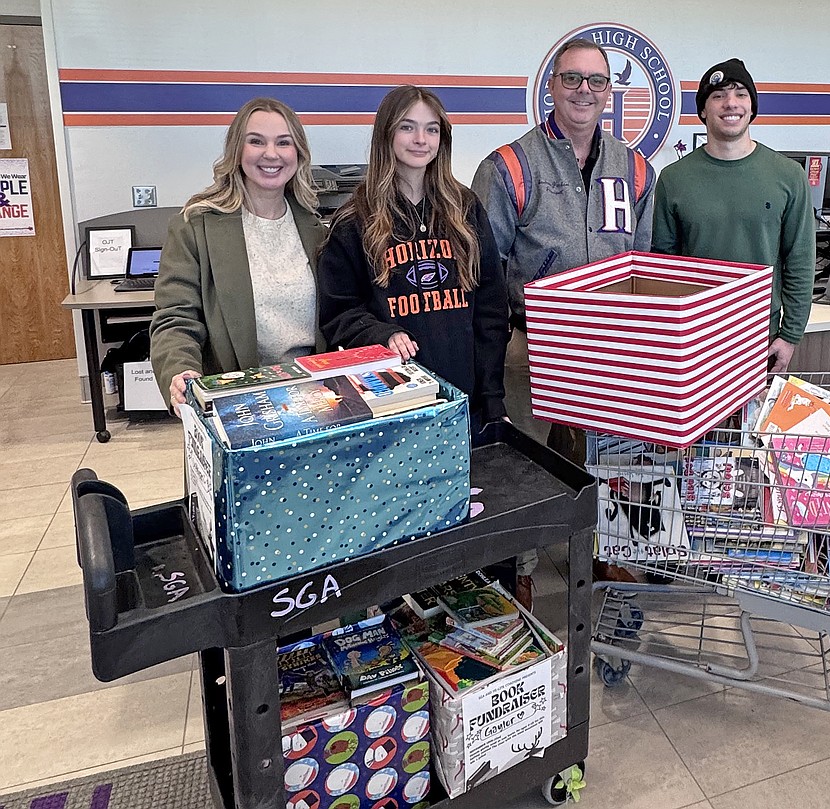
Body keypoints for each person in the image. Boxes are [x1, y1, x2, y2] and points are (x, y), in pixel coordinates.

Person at [472, 37, 655, 588]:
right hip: (531, 348)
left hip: (613, 346)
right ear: (550, 86)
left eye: (596, 81)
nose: (584, 90)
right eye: (572, 79)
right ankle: (516, 571)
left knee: (614, 459)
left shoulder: (636, 167)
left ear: (609, 92)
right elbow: (485, 274)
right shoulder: (509, 166)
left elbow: (644, 265)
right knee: (522, 467)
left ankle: (611, 550)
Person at [317, 84, 508, 431]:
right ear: (386, 134)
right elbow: (338, 313)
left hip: (467, 403)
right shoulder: (354, 220)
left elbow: (491, 310)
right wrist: (381, 333)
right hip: (392, 407)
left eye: (431, 129)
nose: (421, 138)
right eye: (407, 126)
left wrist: (493, 399)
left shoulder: (465, 210)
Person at [150, 97, 326, 410]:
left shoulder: (315, 228)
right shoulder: (195, 227)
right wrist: (179, 370)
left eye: (283, 142)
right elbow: (175, 319)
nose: (271, 153)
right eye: (256, 141)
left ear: (297, 153)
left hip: (314, 400)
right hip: (238, 404)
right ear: (236, 150)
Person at [651, 58, 814, 375]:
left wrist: (790, 334)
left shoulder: (788, 176)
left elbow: (800, 259)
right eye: (718, 95)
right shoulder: (673, 180)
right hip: (692, 338)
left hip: (760, 338)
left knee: (751, 426)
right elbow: (663, 268)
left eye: (740, 93)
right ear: (702, 111)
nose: (731, 103)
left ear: (752, 107)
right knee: (697, 426)